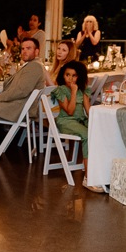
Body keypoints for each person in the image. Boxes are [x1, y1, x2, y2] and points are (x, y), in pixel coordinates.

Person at [51, 60, 102, 193]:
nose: (70, 78)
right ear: (63, 75)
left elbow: (88, 109)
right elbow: (69, 110)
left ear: (79, 77)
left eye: (74, 75)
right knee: (86, 135)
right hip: (66, 121)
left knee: (97, 132)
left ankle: (98, 173)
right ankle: (88, 178)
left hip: (80, 121)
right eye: (67, 75)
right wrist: (73, 92)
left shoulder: (83, 90)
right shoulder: (61, 90)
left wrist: (96, 123)